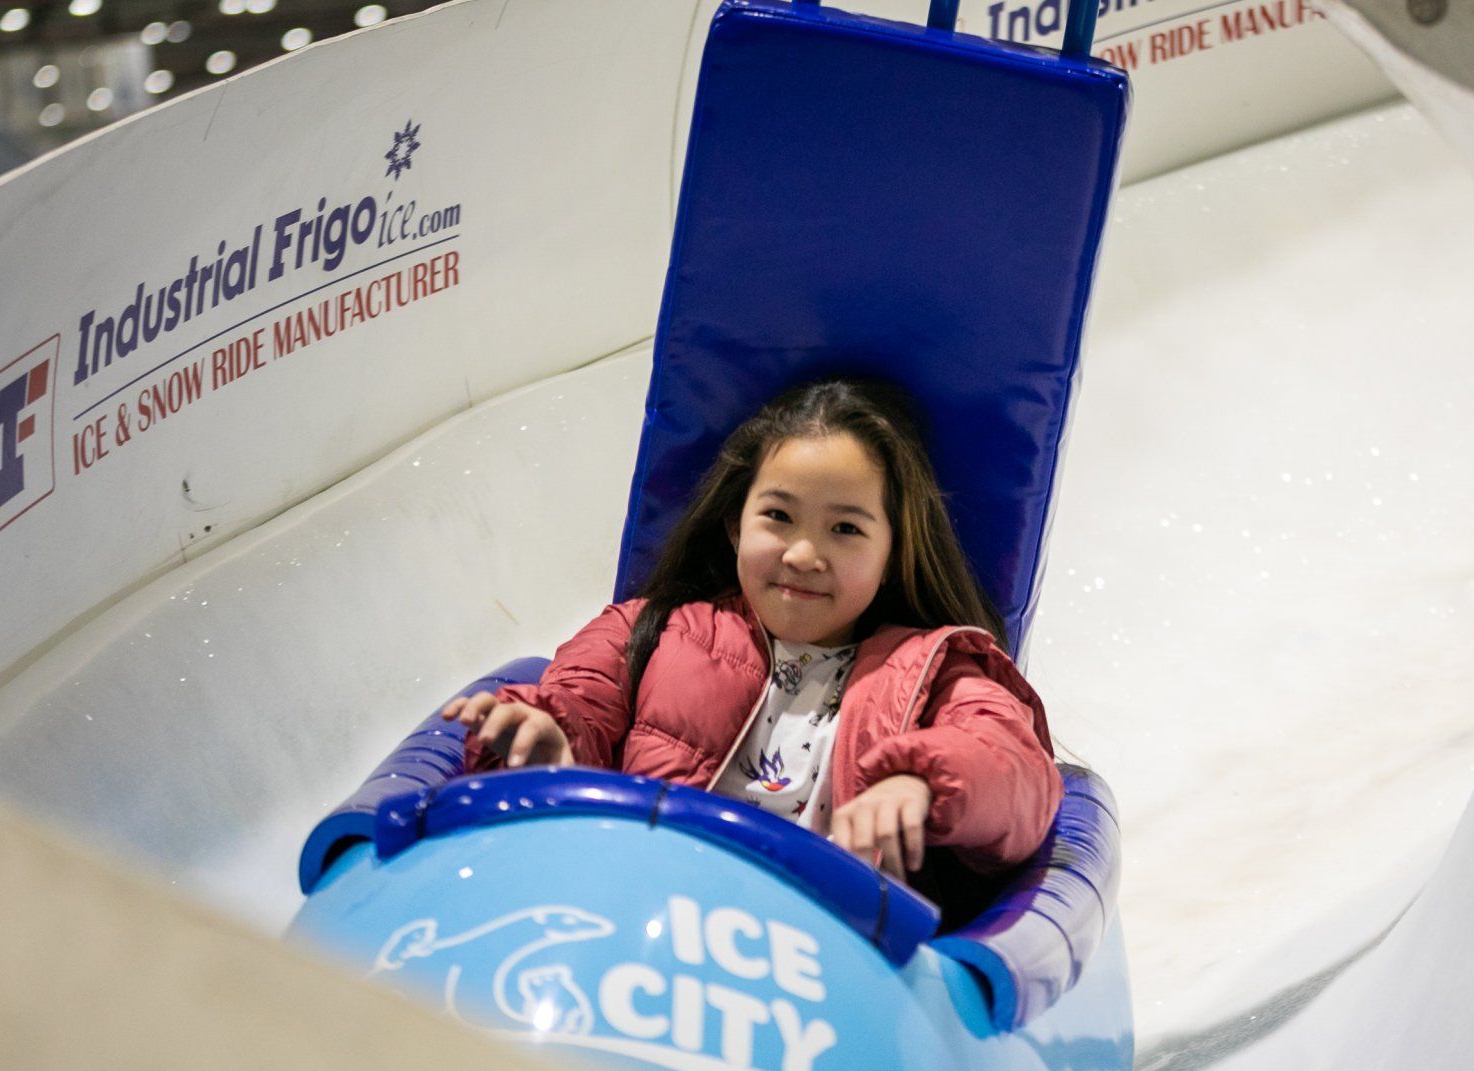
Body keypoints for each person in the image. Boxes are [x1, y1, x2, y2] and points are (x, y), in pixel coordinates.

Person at [442, 378, 1061, 906]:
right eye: (778, 517)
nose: (803, 554)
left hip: (818, 953)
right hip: (642, 913)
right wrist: (549, 740)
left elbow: (1014, 765)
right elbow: (579, 700)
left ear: (893, 555)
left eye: (846, 528)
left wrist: (924, 784)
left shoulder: (932, 672)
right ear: (735, 526)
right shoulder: (646, 631)